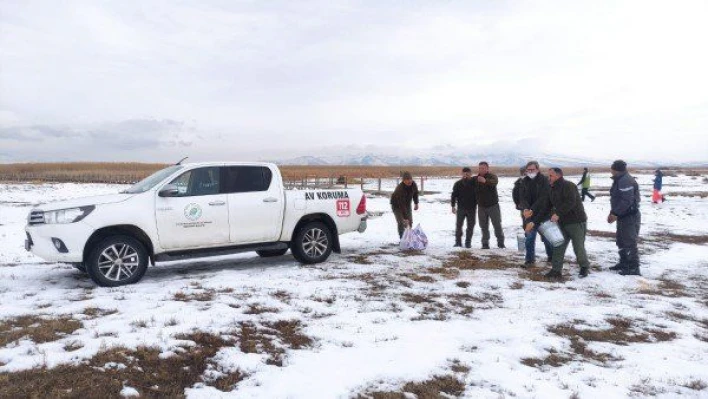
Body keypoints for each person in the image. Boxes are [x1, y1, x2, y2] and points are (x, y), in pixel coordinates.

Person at [545, 167, 590, 279]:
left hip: (576, 221)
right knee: (558, 245)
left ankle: (584, 267)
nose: (548, 178)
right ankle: (556, 270)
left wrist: (558, 213)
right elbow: (549, 205)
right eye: (548, 175)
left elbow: (570, 202)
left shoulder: (569, 186)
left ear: (558, 175)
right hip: (561, 222)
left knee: (578, 247)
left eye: (551, 176)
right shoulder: (551, 188)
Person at [608, 160, 641, 275]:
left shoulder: (625, 180)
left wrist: (615, 214)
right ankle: (624, 262)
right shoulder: (621, 179)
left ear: (615, 169)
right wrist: (613, 212)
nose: (610, 170)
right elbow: (618, 199)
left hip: (629, 217)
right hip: (622, 216)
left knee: (629, 241)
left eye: (612, 168)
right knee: (621, 240)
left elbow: (626, 201)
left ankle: (633, 267)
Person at [519, 161, 553, 267]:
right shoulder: (524, 181)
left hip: (544, 214)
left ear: (537, 169)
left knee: (547, 239)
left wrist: (531, 209)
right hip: (529, 216)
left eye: (532, 169)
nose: (530, 171)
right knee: (529, 238)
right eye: (528, 170)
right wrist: (525, 209)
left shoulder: (544, 180)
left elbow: (543, 198)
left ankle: (551, 257)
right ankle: (529, 260)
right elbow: (522, 197)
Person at [475, 161, 504, 249]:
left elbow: (494, 182)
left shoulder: (492, 176)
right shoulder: (476, 178)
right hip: (481, 207)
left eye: (483, 168)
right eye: (480, 168)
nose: (481, 170)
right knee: (483, 226)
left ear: (487, 168)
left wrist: (485, 181)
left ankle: (500, 243)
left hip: (493, 206)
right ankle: (485, 244)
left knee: (497, 225)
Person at [451, 167, 477, 248]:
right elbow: (453, 195)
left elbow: (479, 194)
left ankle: (468, 242)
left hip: (472, 209)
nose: (466, 175)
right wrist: (453, 206)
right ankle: (458, 242)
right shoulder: (458, 184)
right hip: (461, 208)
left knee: (470, 226)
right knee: (459, 226)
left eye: (468, 173)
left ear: (471, 174)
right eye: (464, 173)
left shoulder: (474, 183)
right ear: (462, 174)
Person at [391, 171, 420, 239]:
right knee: (402, 222)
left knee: (409, 222)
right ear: (403, 180)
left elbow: (415, 193)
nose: (409, 181)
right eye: (407, 180)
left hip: (407, 204)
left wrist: (416, 203)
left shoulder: (413, 184)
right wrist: (405, 217)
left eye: (410, 179)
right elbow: (401, 204)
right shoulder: (400, 189)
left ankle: (408, 238)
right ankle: (402, 239)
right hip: (397, 205)